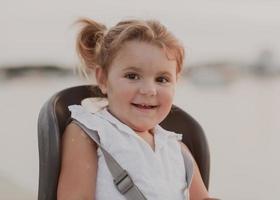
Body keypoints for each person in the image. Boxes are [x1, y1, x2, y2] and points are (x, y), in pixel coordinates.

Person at [57, 18, 210, 200]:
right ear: (103, 79)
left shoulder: (178, 149)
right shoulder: (90, 134)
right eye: (132, 76)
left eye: (162, 79)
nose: (149, 90)